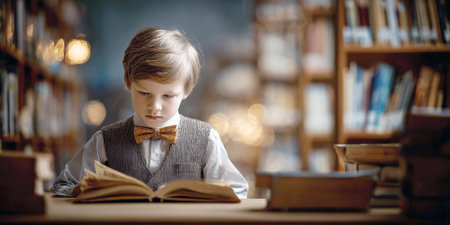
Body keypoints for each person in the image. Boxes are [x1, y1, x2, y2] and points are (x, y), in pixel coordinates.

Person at [51, 27, 249, 199]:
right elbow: (62, 187)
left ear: (186, 90)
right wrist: (87, 192)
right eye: (144, 93)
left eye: (168, 96)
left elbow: (237, 191)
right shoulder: (105, 140)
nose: (155, 106)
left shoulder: (207, 140)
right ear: (129, 83)